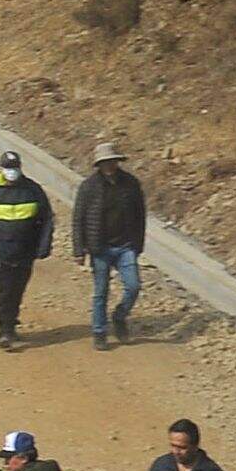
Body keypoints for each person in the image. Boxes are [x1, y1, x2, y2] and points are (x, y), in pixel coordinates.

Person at [0, 152, 54, 348]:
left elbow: (47, 218)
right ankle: (5, 331)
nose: (11, 172)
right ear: (2, 169)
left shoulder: (33, 190)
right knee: (4, 290)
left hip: (25, 250)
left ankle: (11, 320)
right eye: (8, 168)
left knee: (18, 288)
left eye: (14, 168)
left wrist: (44, 244)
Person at [71, 139, 147, 348]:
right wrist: (79, 249)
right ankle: (99, 332)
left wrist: (137, 244)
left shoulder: (131, 184)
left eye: (112, 161)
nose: (110, 165)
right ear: (99, 164)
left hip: (125, 246)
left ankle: (120, 316)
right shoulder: (89, 187)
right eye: (106, 162)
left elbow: (140, 216)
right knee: (101, 291)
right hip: (99, 247)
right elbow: (78, 219)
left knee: (133, 286)